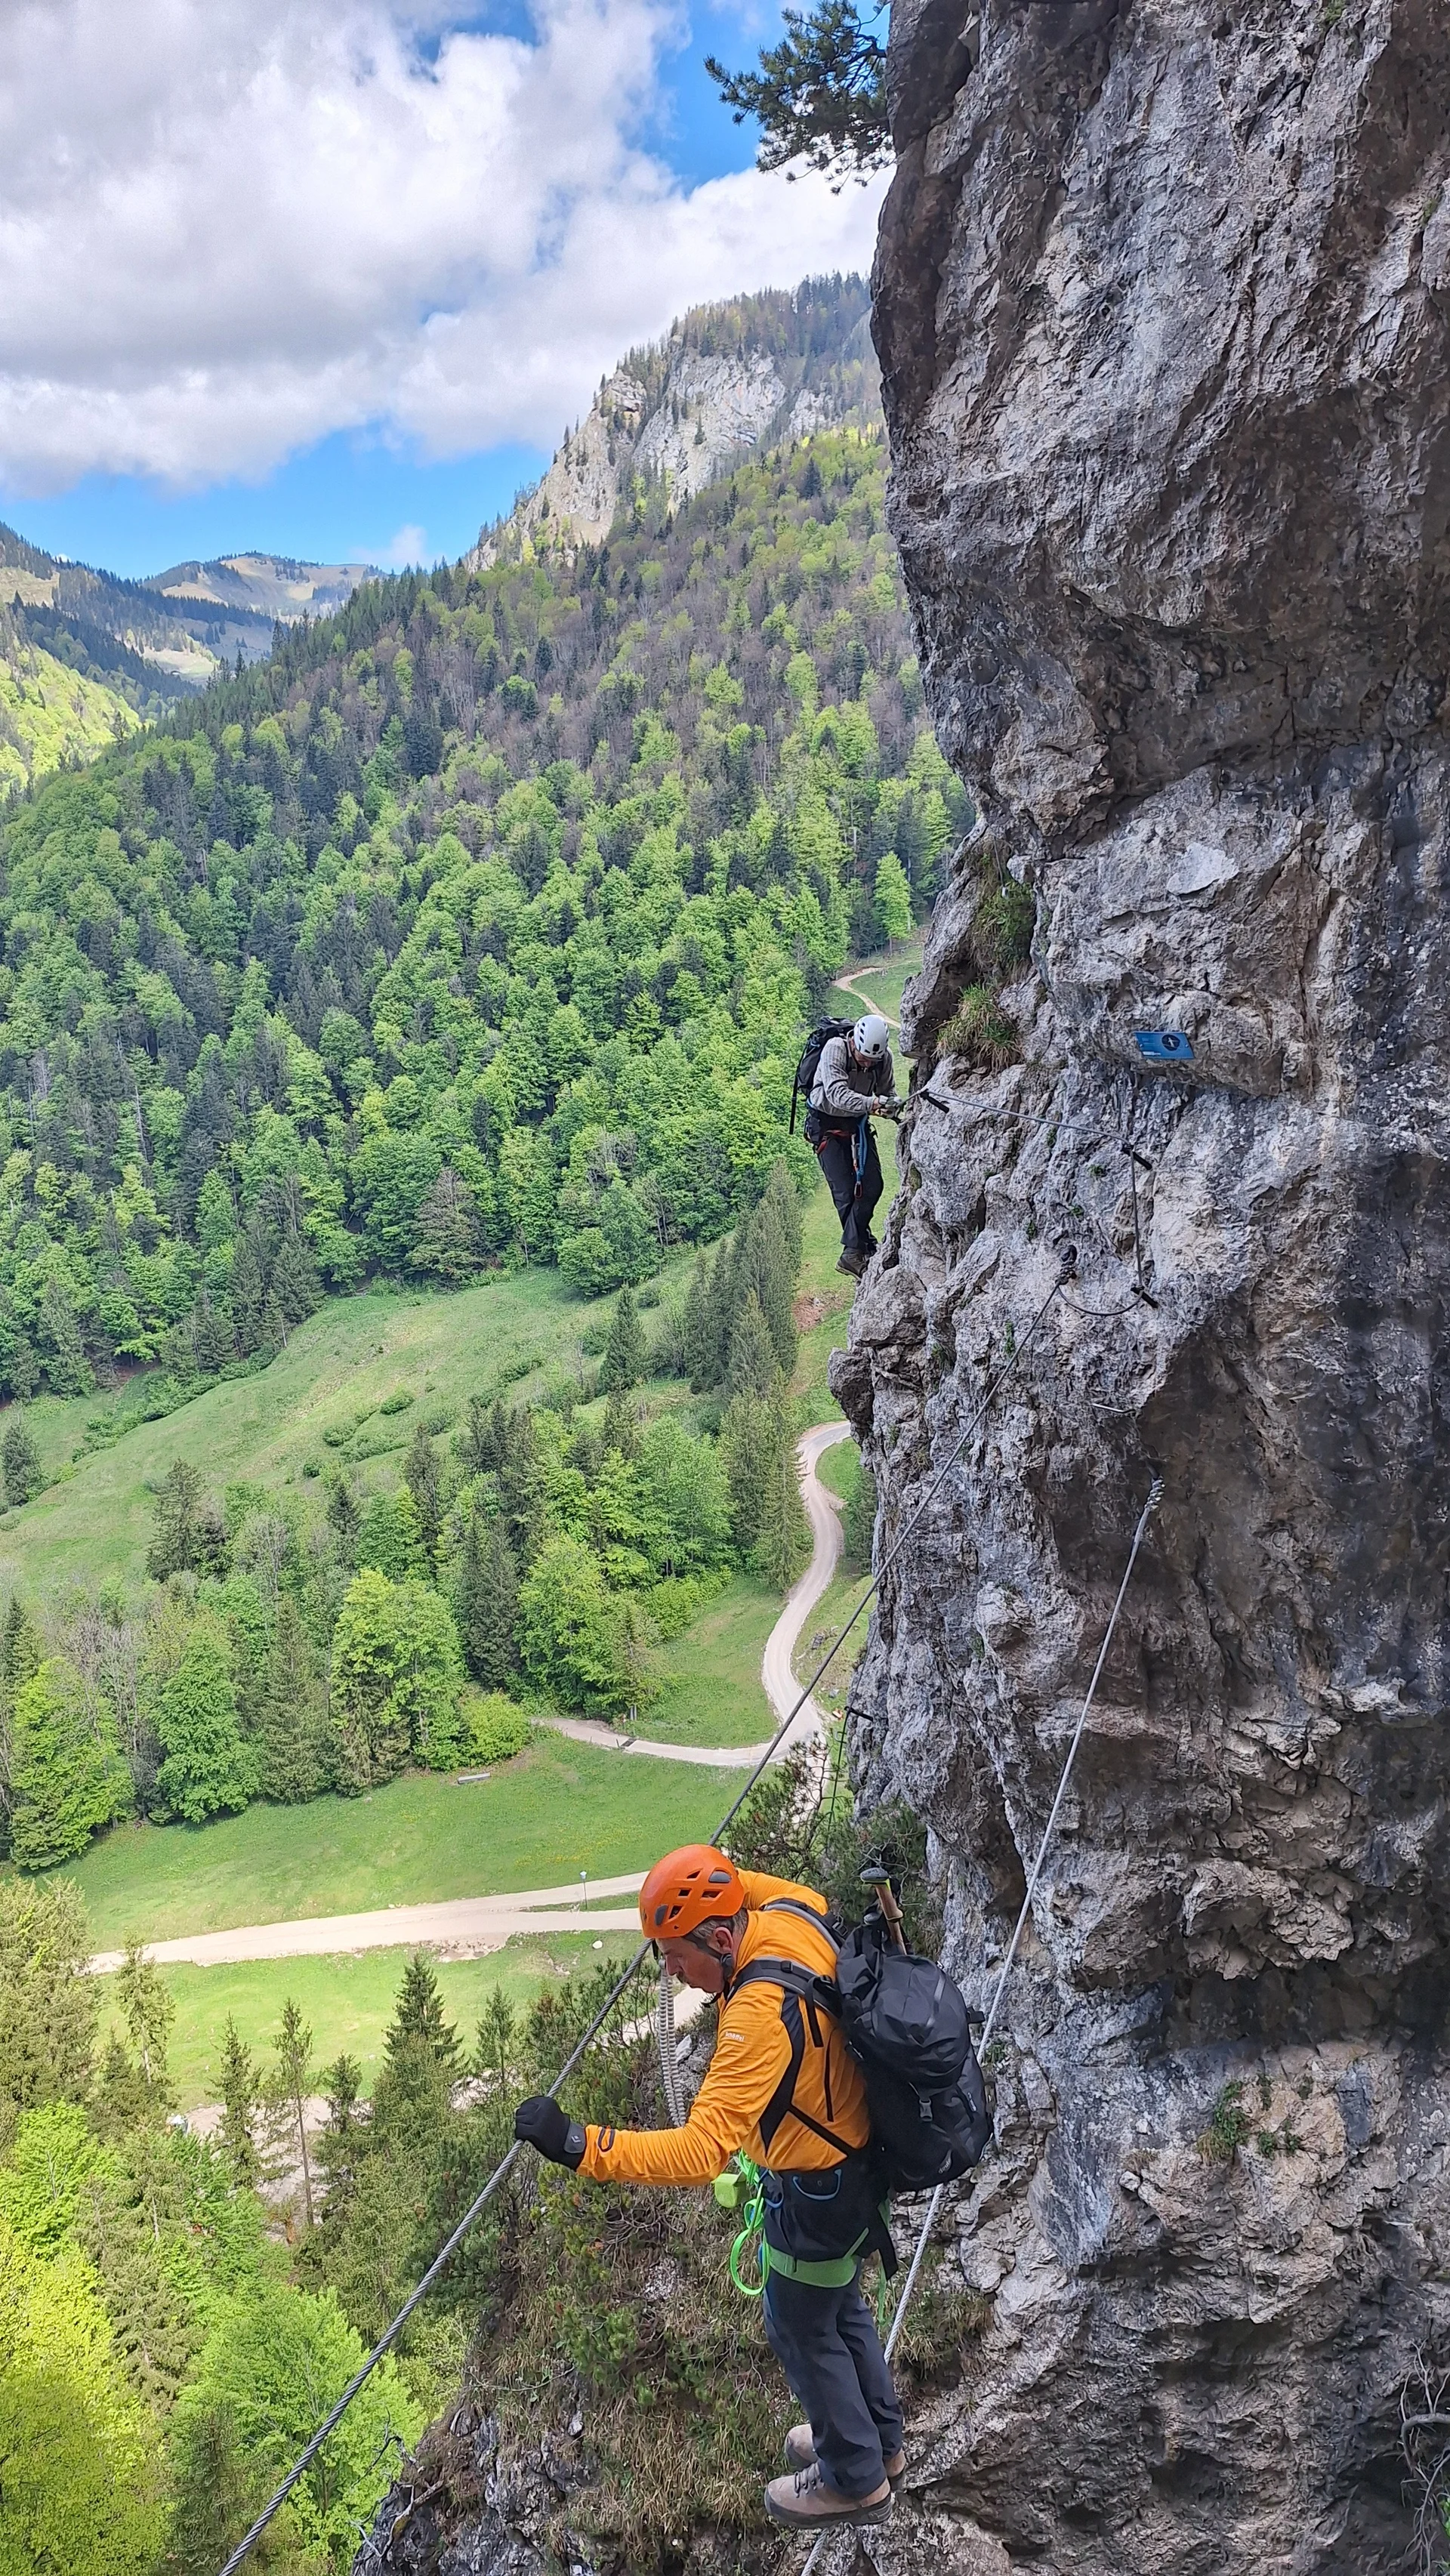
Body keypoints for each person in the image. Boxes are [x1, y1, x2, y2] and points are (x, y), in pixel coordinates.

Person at [514, 1846, 905, 2533]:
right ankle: (878, 2440)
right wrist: (684, 1878)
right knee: (837, 2305)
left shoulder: (757, 2015)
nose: (670, 1971)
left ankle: (855, 2476)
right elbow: (740, 1882)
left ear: (722, 1939)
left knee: (799, 2324)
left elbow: (699, 2152)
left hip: (817, 2187)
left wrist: (579, 2145)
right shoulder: (791, 1910)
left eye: (675, 1956)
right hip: (856, 2160)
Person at [807, 1013, 901, 1278]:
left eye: (873, 1060)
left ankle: (856, 1248)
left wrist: (891, 1106)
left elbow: (887, 1090)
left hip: (856, 1124)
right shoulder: (835, 1050)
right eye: (863, 1058)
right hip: (826, 1125)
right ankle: (855, 1252)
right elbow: (836, 1095)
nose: (867, 1064)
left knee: (873, 1185)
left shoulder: (884, 1059)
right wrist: (872, 1104)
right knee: (846, 1194)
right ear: (854, 1044)